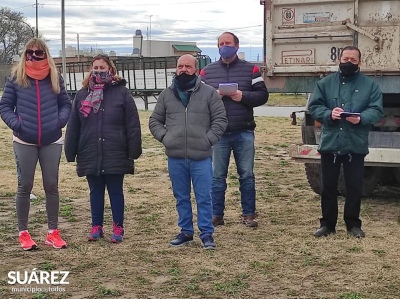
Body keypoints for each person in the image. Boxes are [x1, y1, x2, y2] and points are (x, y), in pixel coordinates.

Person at [149, 54, 227, 249]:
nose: (183, 69)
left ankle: (207, 233)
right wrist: (166, 138)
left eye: (188, 66)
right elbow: (155, 121)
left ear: (196, 69)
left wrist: (207, 140)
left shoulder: (209, 93)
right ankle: (185, 231)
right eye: (180, 66)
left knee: (203, 197)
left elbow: (220, 120)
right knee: (181, 197)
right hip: (176, 157)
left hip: (201, 156)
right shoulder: (166, 94)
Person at [0, 38, 72, 250]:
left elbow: (65, 104)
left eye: (38, 52)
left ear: (45, 54)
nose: (33, 55)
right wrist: (17, 124)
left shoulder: (55, 77)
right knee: (25, 185)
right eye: (29, 51)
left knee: (52, 185)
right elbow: (5, 106)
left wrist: (59, 122)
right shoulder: (16, 78)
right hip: (24, 140)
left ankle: (53, 232)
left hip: (52, 139)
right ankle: (23, 232)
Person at [64, 54, 142, 243]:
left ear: (110, 70)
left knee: (116, 191)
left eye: (102, 67)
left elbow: (132, 124)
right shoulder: (83, 94)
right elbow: (74, 124)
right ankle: (96, 226)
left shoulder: (122, 93)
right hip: (90, 150)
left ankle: (118, 227)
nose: (98, 70)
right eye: (95, 67)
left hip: (115, 151)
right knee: (95, 191)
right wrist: (70, 150)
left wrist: (134, 150)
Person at [308, 46, 384, 238]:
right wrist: (329, 114)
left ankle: (353, 225)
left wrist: (361, 118)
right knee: (328, 187)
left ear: (360, 62)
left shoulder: (370, 85)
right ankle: (327, 224)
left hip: (355, 144)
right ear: (339, 60)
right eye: (345, 58)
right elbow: (315, 107)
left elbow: (376, 110)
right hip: (331, 143)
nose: (348, 62)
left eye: (353, 59)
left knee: (354, 187)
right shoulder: (325, 84)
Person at [199, 32, 269, 228]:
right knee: (217, 177)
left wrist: (243, 96)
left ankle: (249, 214)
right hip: (218, 133)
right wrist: (215, 96)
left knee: (246, 175)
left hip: (243, 131)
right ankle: (216, 214)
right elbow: (198, 98)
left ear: (236, 46)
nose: (224, 46)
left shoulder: (251, 69)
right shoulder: (207, 72)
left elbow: (263, 95)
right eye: (221, 43)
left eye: (228, 43)